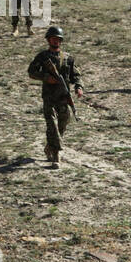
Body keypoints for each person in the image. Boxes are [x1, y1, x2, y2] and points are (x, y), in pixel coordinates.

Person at [28, 25, 83, 168]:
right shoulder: (43, 57)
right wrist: (46, 77)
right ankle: (57, 156)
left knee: (62, 124)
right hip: (49, 97)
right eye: (53, 39)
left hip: (63, 96)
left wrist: (79, 87)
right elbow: (31, 71)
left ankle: (49, 147)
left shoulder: (68, 58)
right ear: (48, 40)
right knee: (52, 125)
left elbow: (75, 75)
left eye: (58, 39)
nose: (56, 41)